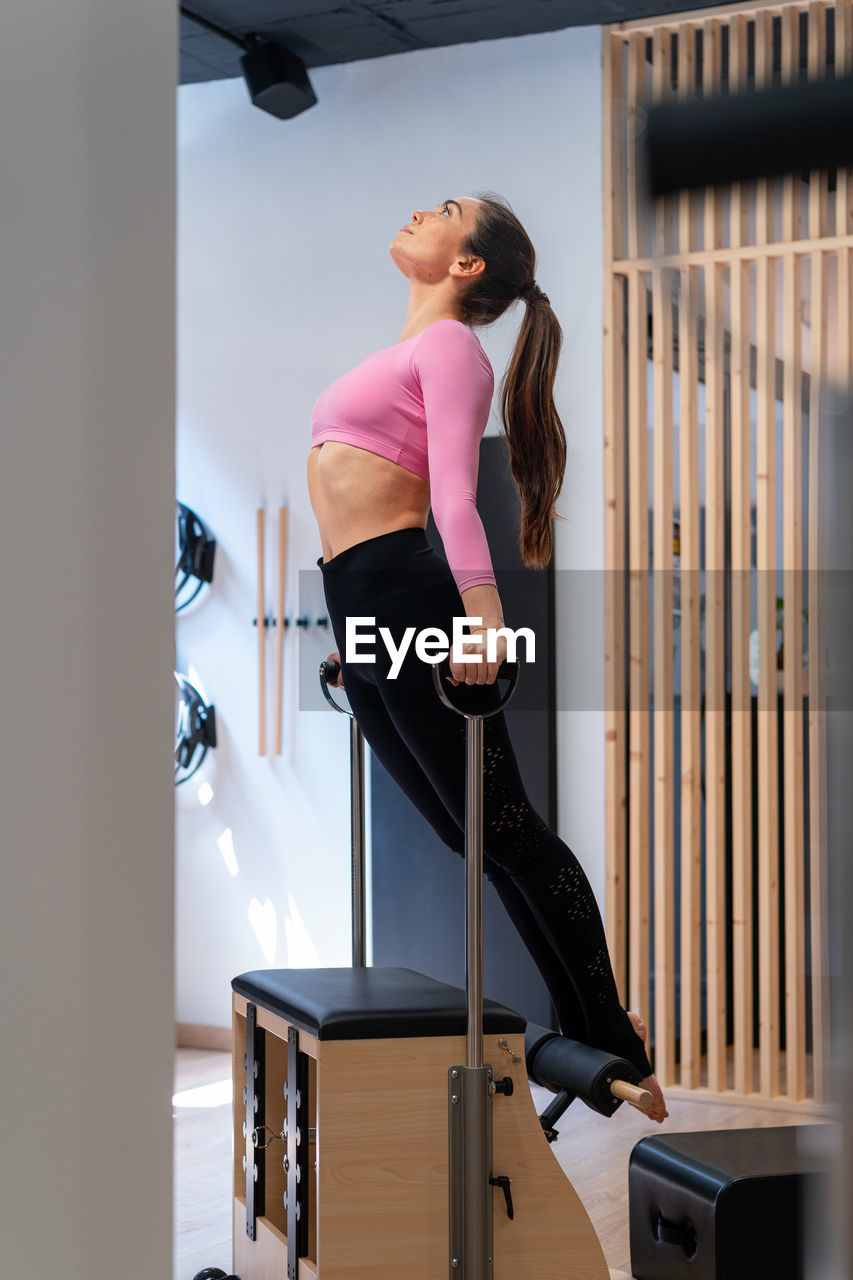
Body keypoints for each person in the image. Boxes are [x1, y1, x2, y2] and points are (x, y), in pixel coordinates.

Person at [306, 192, 668, 1123]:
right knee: (469, 834)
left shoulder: (450, 349)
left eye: (445, 211)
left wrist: (482, 618)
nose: (419, 212)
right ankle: (590, 1019)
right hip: (361, 602)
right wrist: (350, 638)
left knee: (505, 830)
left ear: (467, 265)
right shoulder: (409, 349)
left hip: (409, 596)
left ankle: (609, 1034)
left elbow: (455, 501)